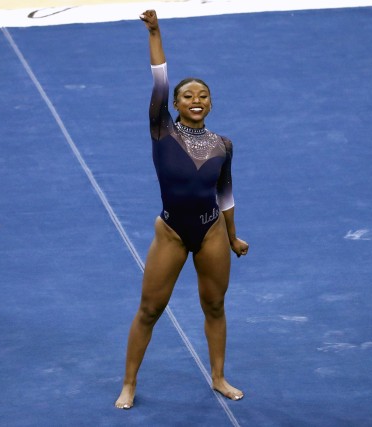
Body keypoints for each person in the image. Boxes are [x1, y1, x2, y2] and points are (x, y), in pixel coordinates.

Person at [115, 10, 249, 410]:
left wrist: (232, 235)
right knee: (150, 309)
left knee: (215, 305)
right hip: (171, 232)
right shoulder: (161, 130)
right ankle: (128, 383)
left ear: (211, 103)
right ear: (173, 103)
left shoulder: (223, 144)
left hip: (210, 232)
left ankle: (219, 377)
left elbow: (224, 193)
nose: (196, 101)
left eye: (203, 96)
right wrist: (155, 32)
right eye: (188, 96)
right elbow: (158, 75)